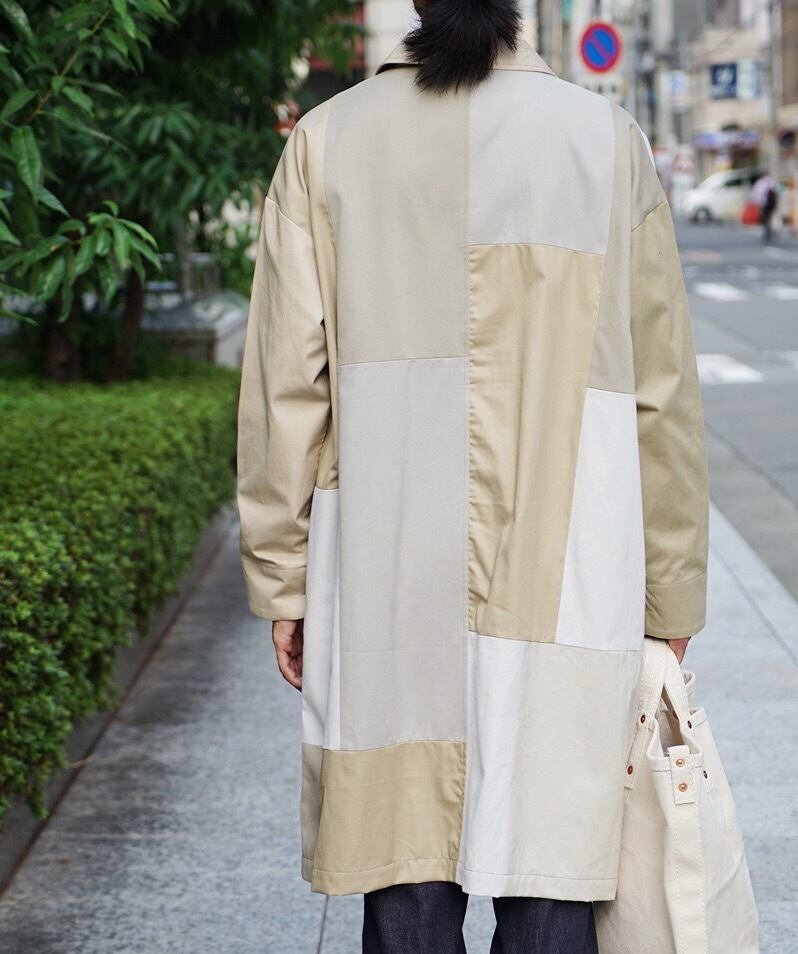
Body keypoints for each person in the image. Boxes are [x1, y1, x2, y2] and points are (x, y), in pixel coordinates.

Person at [236, 1, 709, 951]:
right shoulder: (604, 142)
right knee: (554, 865)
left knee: (401, 862)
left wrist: (284, 580)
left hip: (382, 572)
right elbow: (660, 395)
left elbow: (286, 388)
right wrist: (670, 592)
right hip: (569, 564)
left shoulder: (327, 142)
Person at [751, 171, 779, 243]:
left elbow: (757, 194)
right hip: (772, 203)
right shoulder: (772, 181)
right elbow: (777, 191)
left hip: (763, 203)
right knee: (772, 215)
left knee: (763, 217)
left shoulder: (760, 183)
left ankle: (765, 230)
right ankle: (774, 228)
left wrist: (756, 203)